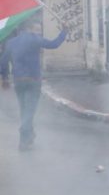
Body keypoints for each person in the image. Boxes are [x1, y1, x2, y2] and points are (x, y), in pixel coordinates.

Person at [0, 19, 67, 151]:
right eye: (36, 29)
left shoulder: (11, 42)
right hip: (34, 80)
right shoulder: (35, 39)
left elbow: (3, 61)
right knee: (29, 111)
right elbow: (54, 44)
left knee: (24, 109)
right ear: (29, 28)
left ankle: (29, 135)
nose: (38, 32)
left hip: (18, 80)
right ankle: (23, 138)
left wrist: (5, 78)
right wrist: (64, 31)